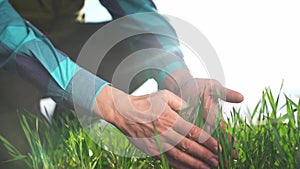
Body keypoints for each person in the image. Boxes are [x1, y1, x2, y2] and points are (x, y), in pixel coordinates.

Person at [0, 0, 244, 168]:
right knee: (22, 158)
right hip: (6, 57)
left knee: (130, 48)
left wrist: (178, 75)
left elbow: (136, 10)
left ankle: (68, 125)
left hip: (63, 36)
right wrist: (112, 105)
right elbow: (6, 31)